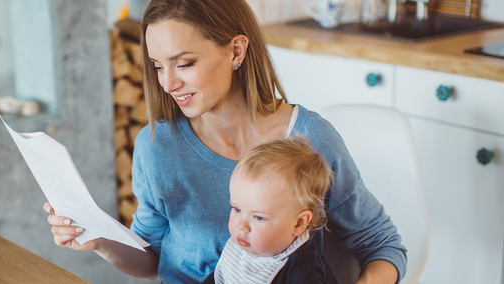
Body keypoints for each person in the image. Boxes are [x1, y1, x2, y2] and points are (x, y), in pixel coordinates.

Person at [44, 0, 407, 283]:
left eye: (183, 63)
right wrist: (100, 240)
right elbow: (152, 258)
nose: (167, 84)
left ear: (236, 51)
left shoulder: (311, 140)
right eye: (157, 66)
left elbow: (383, 246)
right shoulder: (157, 147)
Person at [203, 138, 338, 284]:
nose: (241, 225)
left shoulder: (304, 269)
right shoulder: (243, 247)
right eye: (237, 209)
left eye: (258, 217)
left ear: (299, 223)